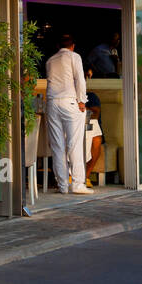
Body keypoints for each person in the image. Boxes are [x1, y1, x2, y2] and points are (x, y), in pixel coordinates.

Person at [43, 35, 90, 195]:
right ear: (73, 46)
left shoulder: (50, 60)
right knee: (74, 144)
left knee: (57, 146)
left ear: (58, 46)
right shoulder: (74, 56)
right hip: (69, 101)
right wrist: (82, 100)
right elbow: (80, 79)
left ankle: (63, 186)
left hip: (51, 102)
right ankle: (77, 184)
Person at [82, 92, 105, 187]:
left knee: (97, 140)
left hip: (91, 128)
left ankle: (86, 176)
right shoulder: (67, 98)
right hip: (72, 128)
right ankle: (69, 176)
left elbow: (96, 114)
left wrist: (83, 109)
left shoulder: (91, 96)